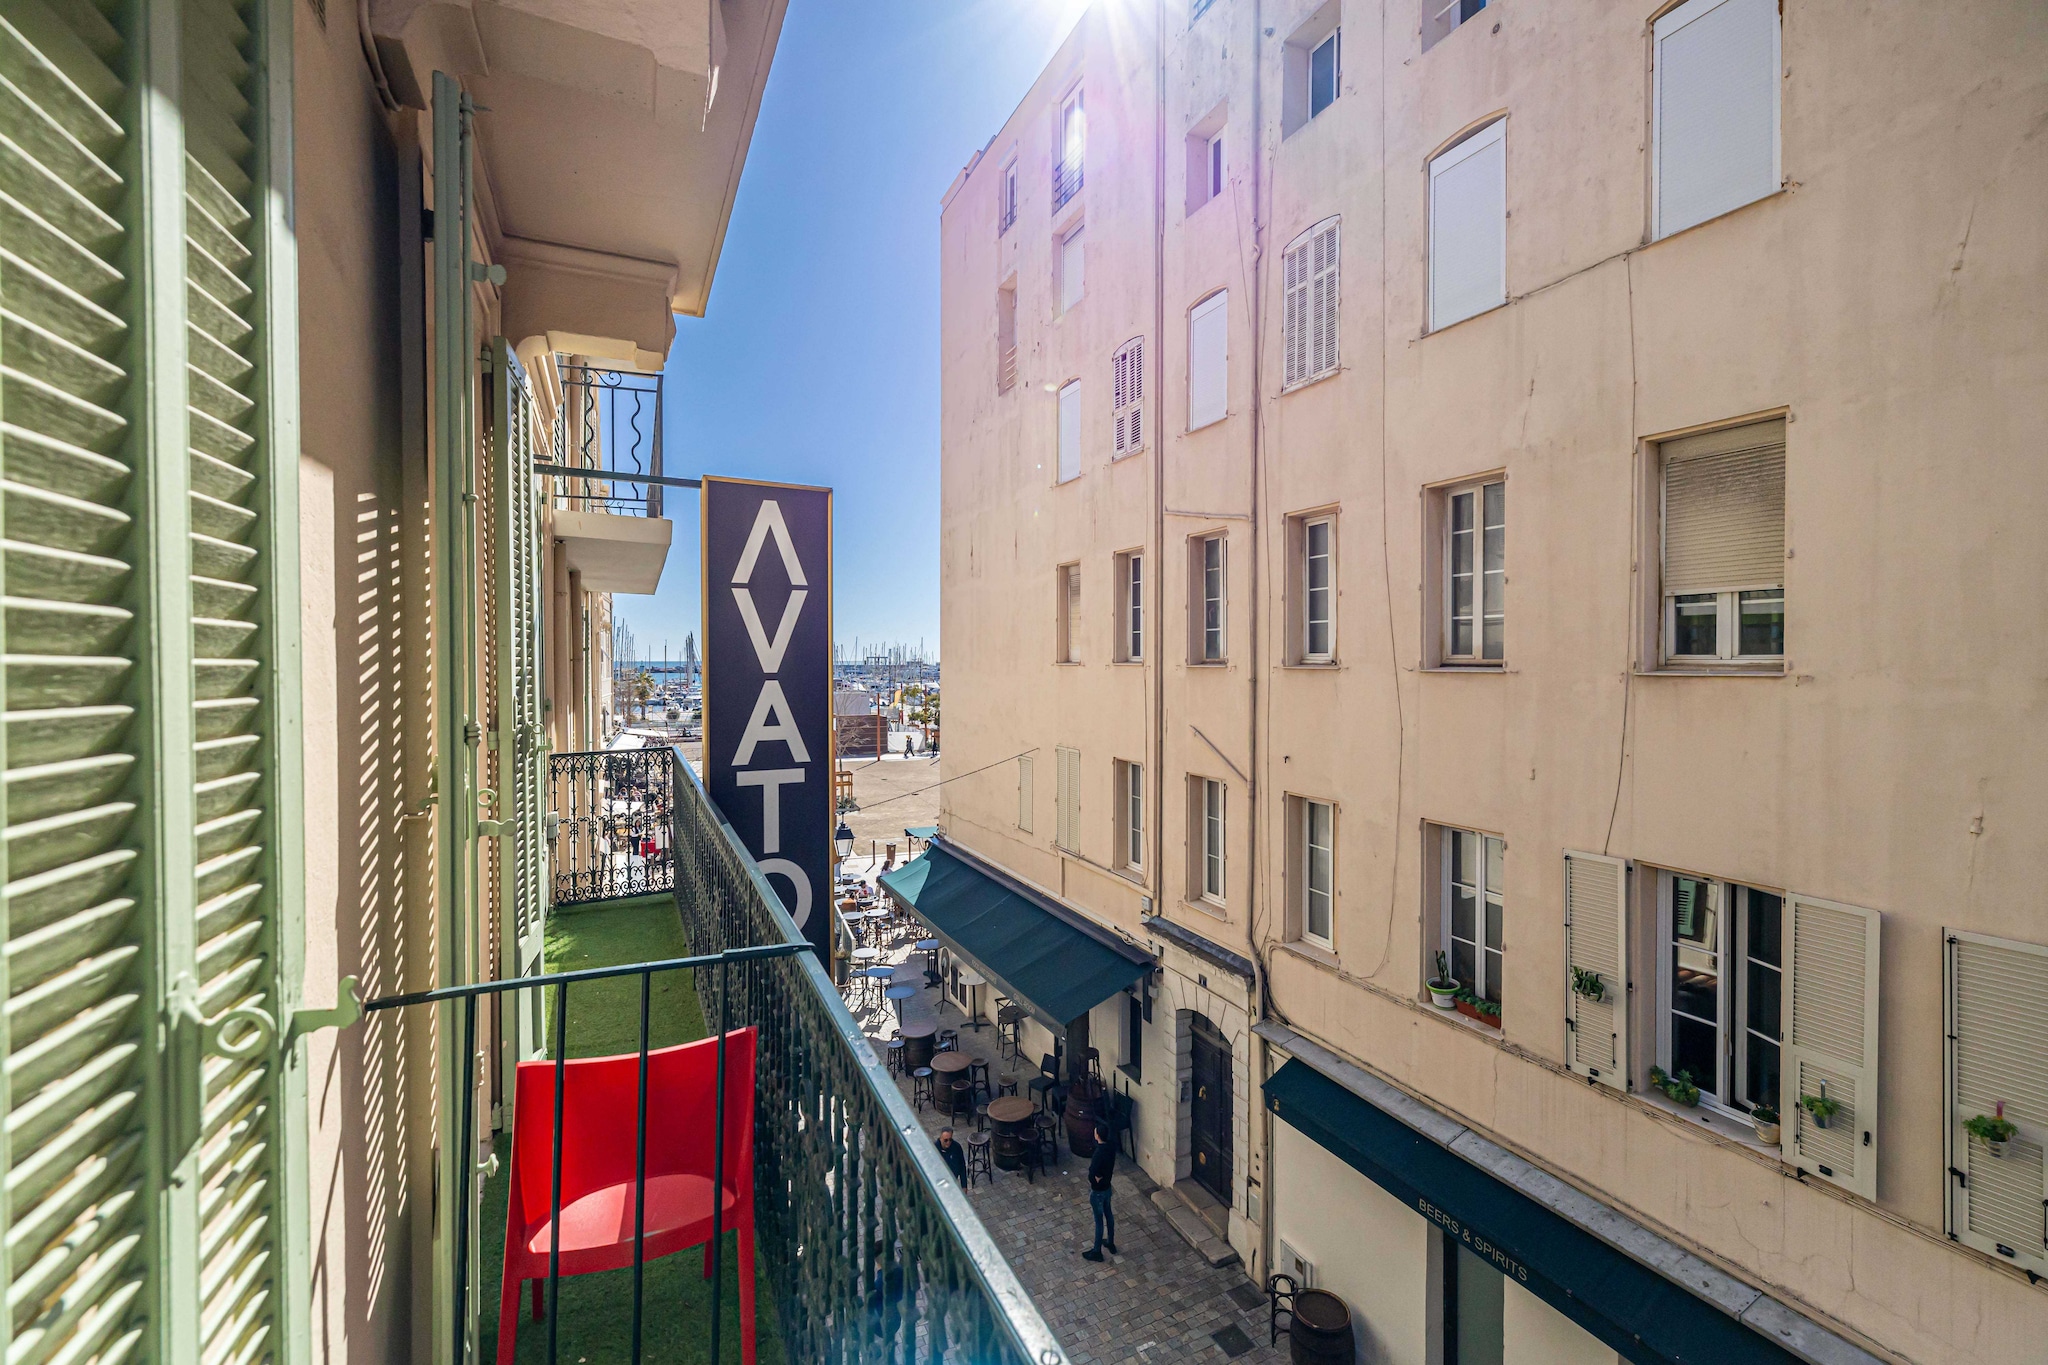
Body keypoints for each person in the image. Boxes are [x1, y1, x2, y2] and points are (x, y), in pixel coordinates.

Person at [1083, 1122, 1117, 1261]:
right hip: (1107, 1187)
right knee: (1108, 1214)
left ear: (1097, 1135)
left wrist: (1093, 1178)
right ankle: (1110, 1242)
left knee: (1098, 1220)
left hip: (1098, 1191)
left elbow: (1093, 1172)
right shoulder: (1111, 1148)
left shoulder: (1099, 1152)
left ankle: (1097, 1251)